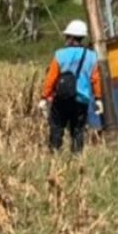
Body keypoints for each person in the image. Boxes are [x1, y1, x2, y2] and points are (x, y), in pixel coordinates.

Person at [39, 19, 103, 154]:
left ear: (71, 38)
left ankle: (54, 155)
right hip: (82, 100)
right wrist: (98, 99)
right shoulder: (92, 56)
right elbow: (96, 80)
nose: (66, 38)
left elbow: (51, 78)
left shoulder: (60, 54)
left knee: (57, 128)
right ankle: (77, 157)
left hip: (61, 99)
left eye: (67, 36)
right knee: (78, 131)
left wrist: (44, 97)